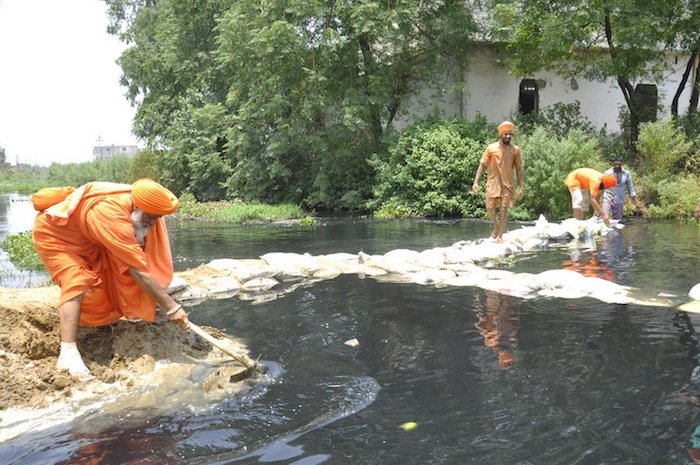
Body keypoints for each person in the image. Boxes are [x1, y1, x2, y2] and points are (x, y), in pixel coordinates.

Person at [32, 179, 188, 378]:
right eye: (151, 217)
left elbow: (138, 258)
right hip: (57, 236)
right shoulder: (109, 212)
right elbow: (137, 269)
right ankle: (68, 352)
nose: (154, 223)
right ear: (139, 207)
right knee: (76, 279)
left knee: (112, 274)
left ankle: (133, 313)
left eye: (158, 218)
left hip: (90, 238)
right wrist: (172, 308)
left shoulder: (140, 207)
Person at [471, 120, 524, 243]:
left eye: (510, 134)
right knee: (490, 208)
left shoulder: (515, 150)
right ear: (500, 135)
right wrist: (476, 182)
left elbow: (519, 169)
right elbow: (482, 164)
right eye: (506, 134)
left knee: (504, 210)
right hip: (493, 183)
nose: (508, 137)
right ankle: (496, 226)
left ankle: (500, 236)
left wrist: (521, 187)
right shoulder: (491, 148)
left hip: (507, 185)